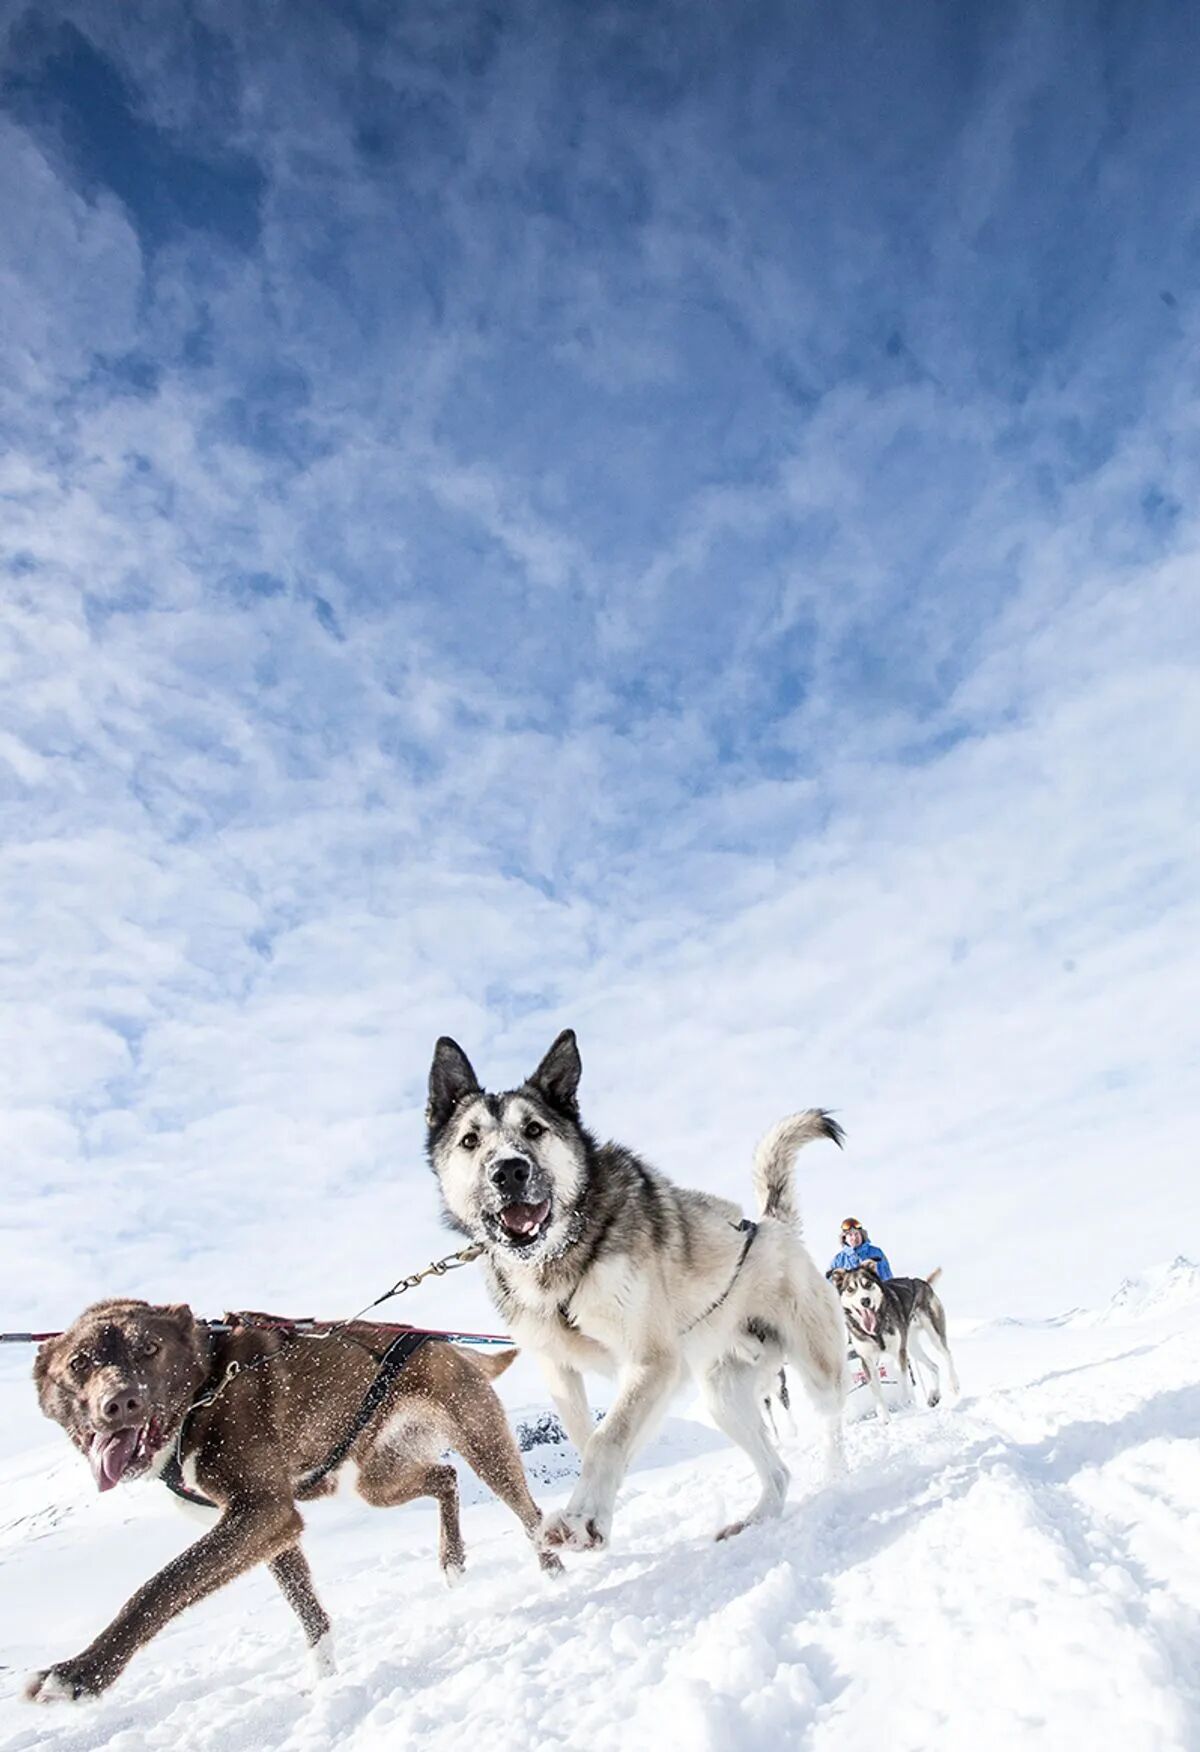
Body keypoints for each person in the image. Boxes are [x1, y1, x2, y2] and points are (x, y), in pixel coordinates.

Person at [829, 1217, 893, 1281]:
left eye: (856, 1234)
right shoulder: (838, 1260)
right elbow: (830, 1284)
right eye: (850, 1235)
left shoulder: (876, 1253)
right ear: (844, 1238)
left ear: (862, 1235)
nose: (854, 1238)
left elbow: (887, 1278)